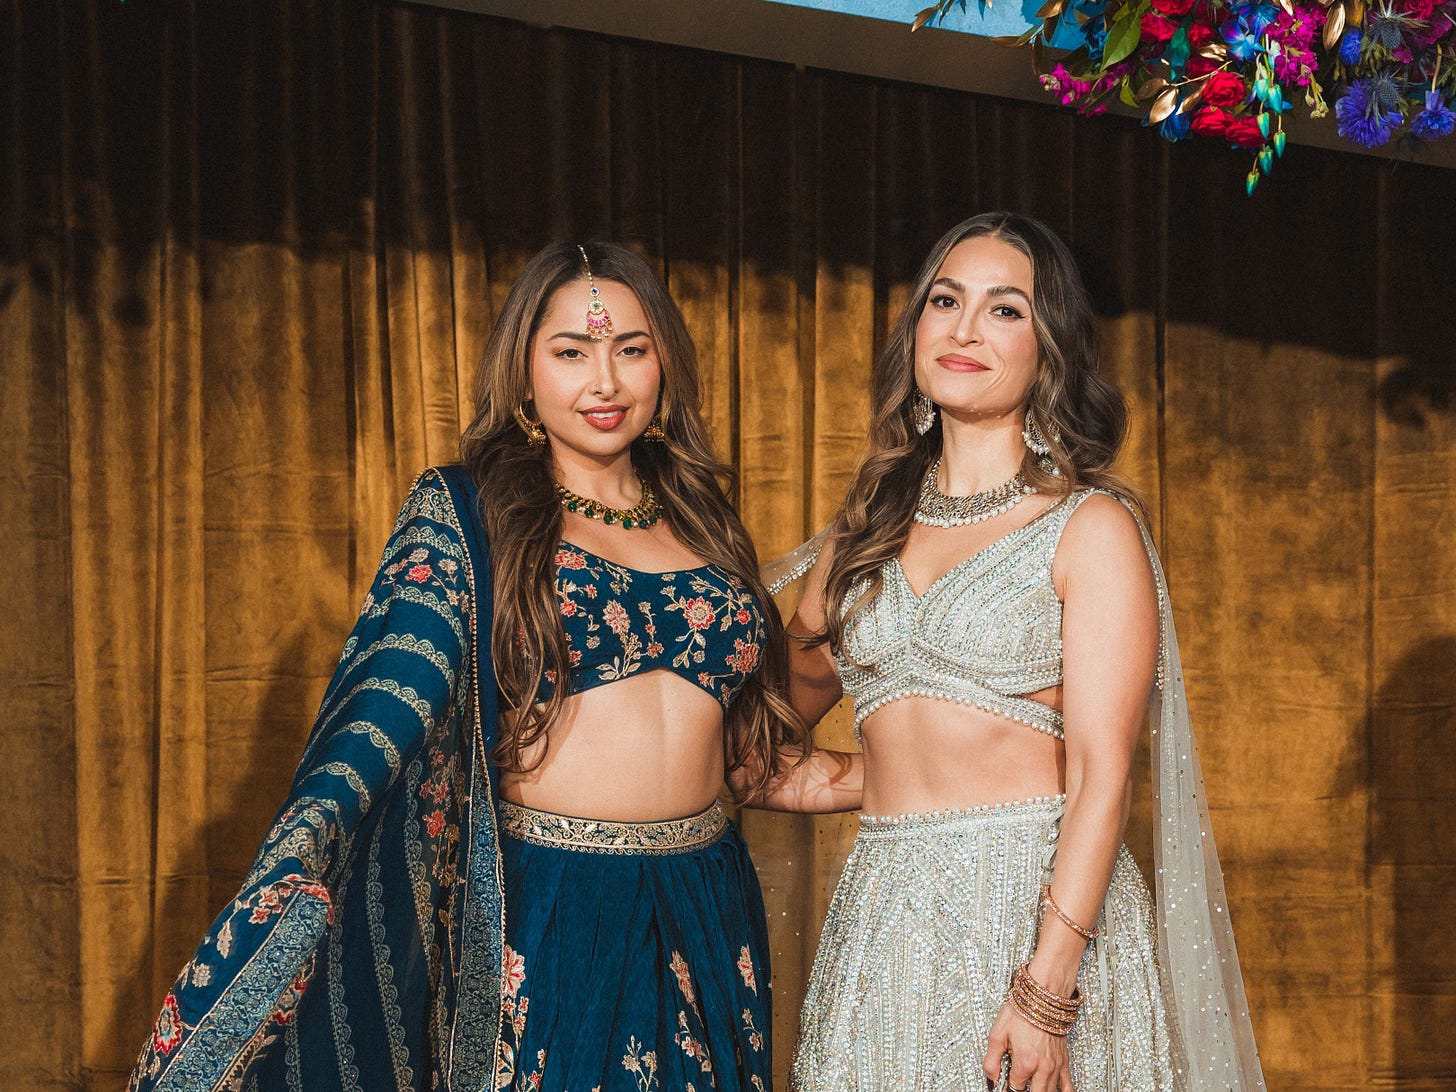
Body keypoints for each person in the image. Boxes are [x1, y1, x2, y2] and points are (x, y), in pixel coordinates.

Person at [129, 241, 861, 1092]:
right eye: (571, 353)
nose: (605, 382)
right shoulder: (472, 513)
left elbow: (747, 756)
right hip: (553, 903)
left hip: (703, 897)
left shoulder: (705, 520)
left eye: (630, 349)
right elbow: (389, 694)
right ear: (523, 373)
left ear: (664, 361)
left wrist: (919, 776)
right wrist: (314, 831)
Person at [774, 213, 1264, 1092]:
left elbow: (1103, 773)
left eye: (1004, 310)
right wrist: (863, 778)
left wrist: (1045, 994)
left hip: (1036, 920)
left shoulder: (1090, 527)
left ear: (1049, 350)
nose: (964, 329)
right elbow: (758, 732)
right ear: (915, 329)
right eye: (945, 301)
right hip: (884, 928)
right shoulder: (860, 539)